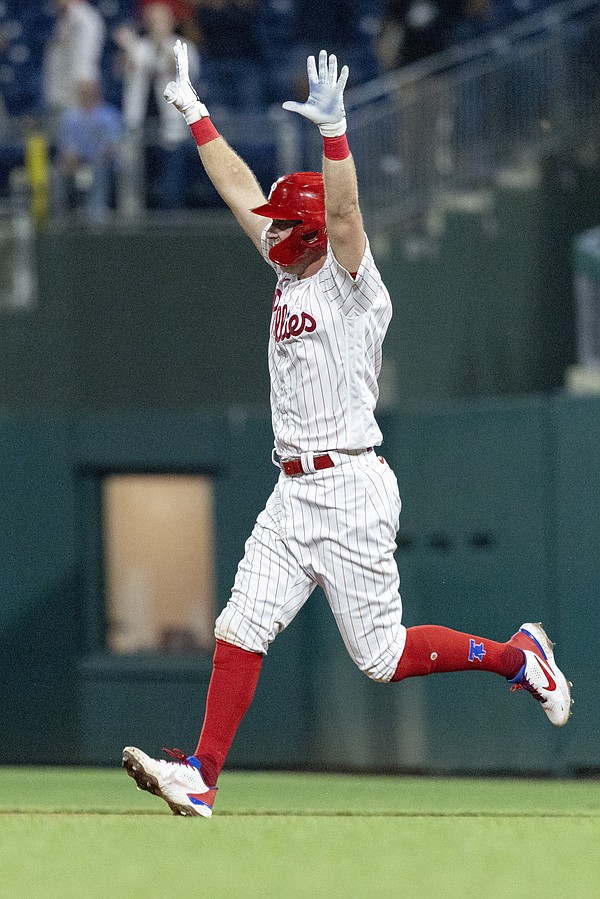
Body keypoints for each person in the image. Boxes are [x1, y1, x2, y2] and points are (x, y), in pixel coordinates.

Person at [122, 42, 573, 818]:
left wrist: (336, 138)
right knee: (241, 621)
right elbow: (239, 189)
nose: (271, 231)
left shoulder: (355, 282)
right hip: (292, 487)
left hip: (352, 483)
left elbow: (345, 213)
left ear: (311, 232)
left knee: (381, 655)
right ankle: (202, 772)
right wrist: (196, 113)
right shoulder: (286, 259)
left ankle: (517, 656)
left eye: (285, 225)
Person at [114, 2, 201, 208]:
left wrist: (160, 44)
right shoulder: (138, 47)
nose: (156, 24)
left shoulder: (183, 46)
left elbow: (179, 71)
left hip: (171, 131)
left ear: (171, 22)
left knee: (170, 191)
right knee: (137, 192)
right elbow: (122, 71)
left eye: (160, 20)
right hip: (138, 128)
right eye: (152, 20)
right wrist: (126, 48)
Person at [51, 78, 122, 223]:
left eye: (89, 92)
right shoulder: (70, 117)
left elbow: (112, 146)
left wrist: (93, 160)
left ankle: (96, 221)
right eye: (83, 92)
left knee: (96, 172)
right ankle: (60, 220)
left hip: (102, 163)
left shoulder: (109, 115)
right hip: (75, 163)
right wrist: (71, 159)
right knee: (54, 173)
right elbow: (65, 146)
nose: (86, 95)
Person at [43, 0, 106, 116]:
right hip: (58, 93)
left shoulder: (86, 18)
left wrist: (84, 81)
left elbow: (86, 56)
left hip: (77, 93)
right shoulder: (61, 17)